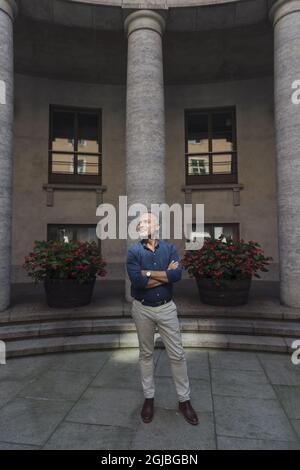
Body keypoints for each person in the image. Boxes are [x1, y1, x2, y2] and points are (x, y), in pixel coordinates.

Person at [126, 211, 199, 425]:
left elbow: (176, 276)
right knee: (145, 354)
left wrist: (147, 273)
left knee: (177, 355)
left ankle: (184, 401)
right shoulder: (133, 251)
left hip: (167, 308)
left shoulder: (170, 249)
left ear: (157, 227)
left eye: (147, 221)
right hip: (142, 309)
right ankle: (149, 399)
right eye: (140, 223)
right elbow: (137, 282)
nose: (142, 225)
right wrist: (162, 276)